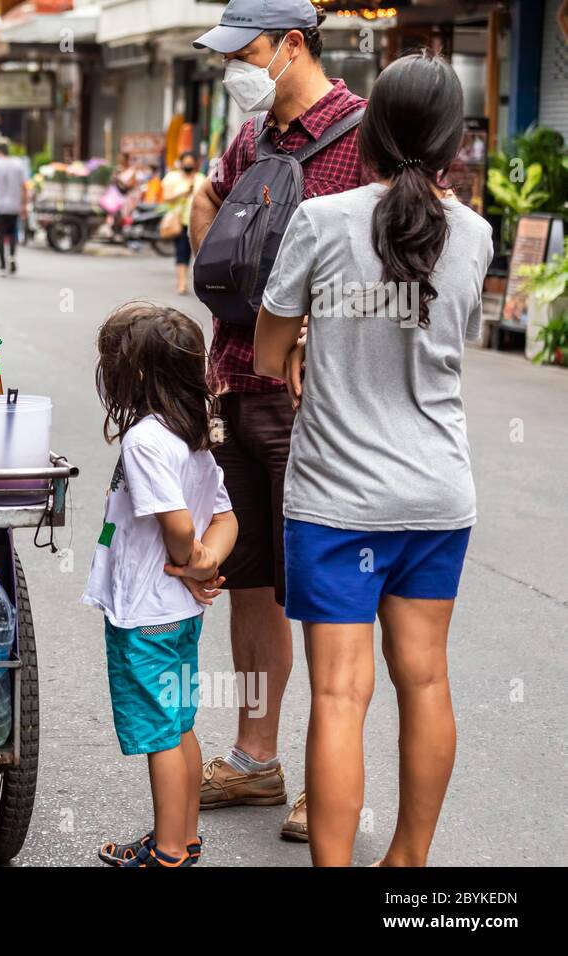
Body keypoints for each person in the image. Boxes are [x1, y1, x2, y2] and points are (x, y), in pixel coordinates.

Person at [253, 51, 492, 867]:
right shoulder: (478, 236)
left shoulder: (322, 221)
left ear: (372, 132)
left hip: (336, 501)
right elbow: (434, 332)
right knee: (425, 681)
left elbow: (266, 351)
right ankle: (408, 865)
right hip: (436, 494)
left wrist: (311, 347)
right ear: (453, 141)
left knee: (339, 694)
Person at [187, 0, 373, 841]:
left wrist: (314, 334)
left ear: (293, 44)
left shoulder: (367, 136)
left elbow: (411, 249)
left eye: (246, 51)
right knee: (251, 580)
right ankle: (257, 762)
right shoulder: (252, 138)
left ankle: (325, 786)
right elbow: (209, 204)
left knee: (325, 590)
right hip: (235, 384)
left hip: (315, 403)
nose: (235, 68)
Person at [85, 302, 238, 868]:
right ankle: (183, 836)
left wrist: (192, 558)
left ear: (141, 376)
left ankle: (169, 852)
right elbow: (226, 517)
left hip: (146, 612)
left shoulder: (147, 439)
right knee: (179, 723)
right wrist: (205, 565)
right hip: (175, 610)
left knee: (160, 735)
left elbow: (177, 525)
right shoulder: (190, 433)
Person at [159, 152, 207, 295]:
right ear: (180, 163)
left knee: (200, 253)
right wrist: (183, 192)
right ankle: (182, 283)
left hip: (198, 221)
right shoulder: (172, 178)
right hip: (180, 221)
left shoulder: (202, 179)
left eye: (190, 162)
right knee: (181, 253)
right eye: (185, 162)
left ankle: (202, 283)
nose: (188, 165)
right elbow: (166, 197)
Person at [0, 140, 30, 276]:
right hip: (15, 206)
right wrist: (24, 205)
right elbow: (24, 187)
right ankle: (12, 256)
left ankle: (2, 265)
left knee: (1, 236)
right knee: (13, 233)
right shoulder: (19, 164)